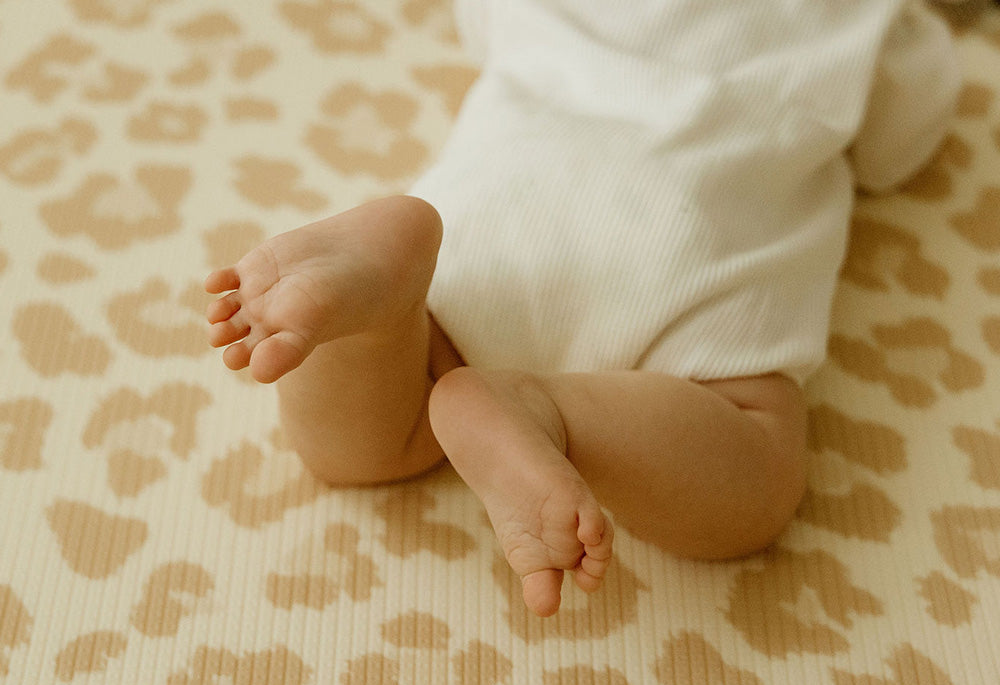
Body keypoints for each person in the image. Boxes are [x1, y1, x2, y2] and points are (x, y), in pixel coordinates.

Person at [205, 0, 960, 617]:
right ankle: (545, 412)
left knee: (361, 449)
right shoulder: (875, 21)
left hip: (497, 217)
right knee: (753, 472)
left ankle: (384, 286)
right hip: (703, 250)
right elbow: (898, 149)